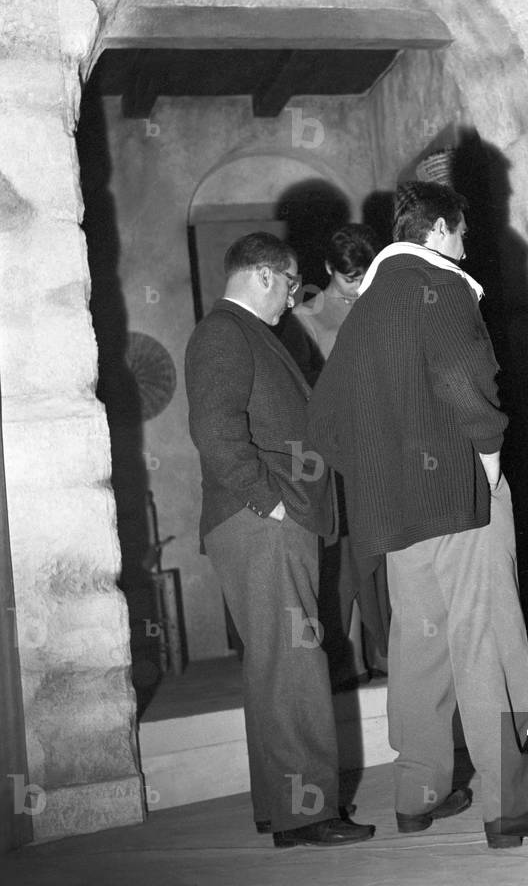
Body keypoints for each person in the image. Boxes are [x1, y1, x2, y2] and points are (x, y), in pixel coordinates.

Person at [308, 181, 528, 848]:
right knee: (487, 640)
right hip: (460, 496)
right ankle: (512, 805)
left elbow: (322, 420)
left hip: (399, 513)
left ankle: (418, 793)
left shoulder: (367, 304)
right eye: (462, 232)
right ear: (440, 229)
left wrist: (381, 474)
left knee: (420, 645)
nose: (466, 245)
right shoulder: (439, 286)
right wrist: (488, 454)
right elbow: (464, 382)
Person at [184, 232, 374, 848]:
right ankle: (310, 813)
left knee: (276, 667)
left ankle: (285, 811)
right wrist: (268, 501)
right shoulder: (224, 332)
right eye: (291, 284)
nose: (294, 299)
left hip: (265, 520)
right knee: (293, 663)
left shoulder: (244, 332)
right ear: (265, 275)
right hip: (261, 522)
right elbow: (215, 429)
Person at [292, 224, 390, 689]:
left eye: (365, 275)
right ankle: (349, 661)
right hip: (338, 452)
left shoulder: (380, 303)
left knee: (386, 550)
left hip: (383, 445)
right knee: (347, 556)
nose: (357, 285)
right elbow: (308, 393)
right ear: (330, 268)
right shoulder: (305, 317)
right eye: (350, 277)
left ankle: (387, 653)